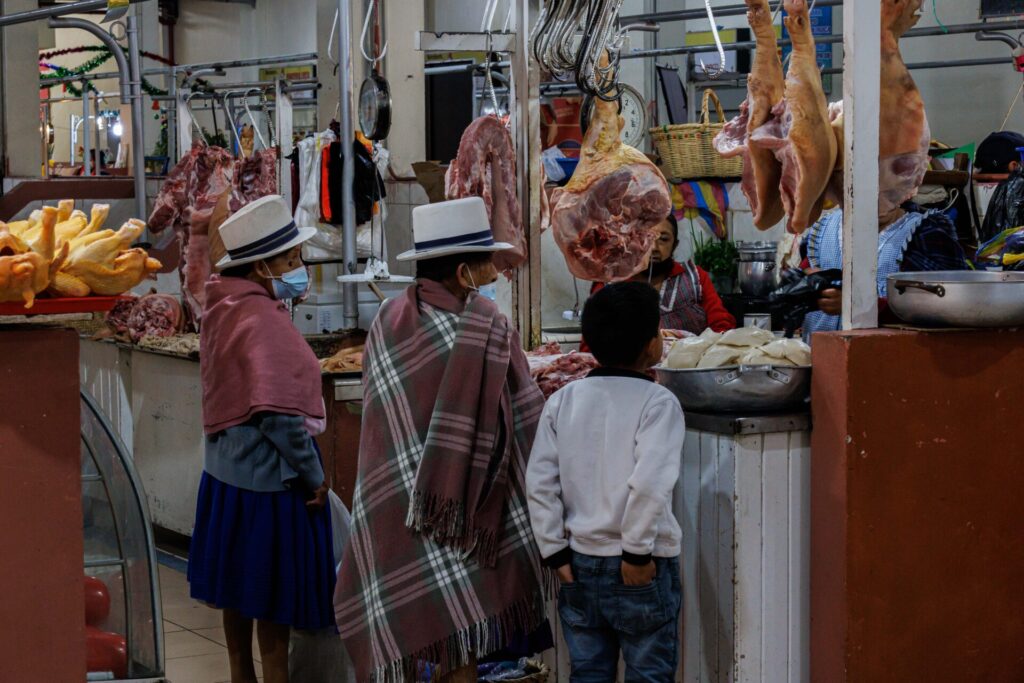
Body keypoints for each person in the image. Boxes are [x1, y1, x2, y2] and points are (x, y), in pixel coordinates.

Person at [335, 197, 550, 683]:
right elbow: (522, 416)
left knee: (426, 639)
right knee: (463, 637)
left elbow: (388, 417)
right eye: (487, 262)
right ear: (462, 271)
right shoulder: (489, 326)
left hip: (396, 505)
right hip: (467, 512)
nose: (494, 271)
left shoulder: (387, 320)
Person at [188, 195, 335, 683]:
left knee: (237, 591)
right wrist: (314, 477)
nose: (298, 270)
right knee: (273, 600)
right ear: (261, 267)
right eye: (291, 261)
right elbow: (279, 417)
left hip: (224, 475)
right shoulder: (263, 320)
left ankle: (239, 675)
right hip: (269, 484)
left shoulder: (222, 305)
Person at [527, 282, 686, 682]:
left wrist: (554, 551)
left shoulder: (563, 400)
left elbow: (540, 482)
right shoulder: (659, 402)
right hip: (641, 566)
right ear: (652, 346)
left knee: (588, 673)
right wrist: (636, 554)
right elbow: (649, 484)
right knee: (648, 674)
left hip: (577, 563)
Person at [802, 203, 968, 340]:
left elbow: (942, 308)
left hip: (888, 359)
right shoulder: (823, 231)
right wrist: (801, 284)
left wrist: (862, 306)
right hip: (817, 359)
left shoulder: (924, 235)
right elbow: (801, 277)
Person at [589, 213, 736, 334]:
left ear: (675, 245)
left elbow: (721, 324)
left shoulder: (694, 277)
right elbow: (592, 340)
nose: (654, 247)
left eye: (664, 239)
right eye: (645, 238)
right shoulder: (611, 282)